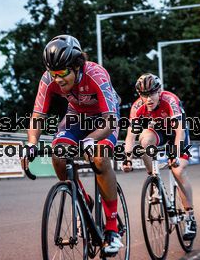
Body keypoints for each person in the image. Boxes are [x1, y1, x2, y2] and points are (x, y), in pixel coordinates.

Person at [21, 34, 124, 255]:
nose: (57, 79)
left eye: (62, 73)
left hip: (105, 118)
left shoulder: (97, 75)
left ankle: (112, 228)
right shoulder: (48, 79)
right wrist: (31, 143)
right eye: (53, 73)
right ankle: (83, 198)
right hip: (76, 116)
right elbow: (38, 114)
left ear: (77, 66)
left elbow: (110, 120)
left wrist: (90, 140)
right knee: (58, 155)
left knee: (99, 156)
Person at [122, 73, 197, 240]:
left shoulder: (170, 100)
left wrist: (176, 155)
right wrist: (127, 158)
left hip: (178, 135)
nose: (148, 99)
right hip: (159, 132)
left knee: (177, 171)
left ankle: (190, 216)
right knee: (144, 140)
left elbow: (179, 132)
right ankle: (154, 179)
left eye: (152, 94)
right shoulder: (137, 107)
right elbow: (130, 136)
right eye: (144, 94)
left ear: (159, 91)